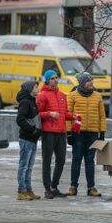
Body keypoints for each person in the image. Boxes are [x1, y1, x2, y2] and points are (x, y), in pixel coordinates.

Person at [36, 70, 75, 199]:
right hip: (48, 133)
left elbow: (65, 114)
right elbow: (37, 114)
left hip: (61, 133)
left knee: (61, 160)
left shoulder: (62, 95)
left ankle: (54, 186)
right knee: (47, 161)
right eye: (52, 78)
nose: (55, 80)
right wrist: (49, 114)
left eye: (56, 78)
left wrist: (73, 116)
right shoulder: (42, 95)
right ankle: (47, 189)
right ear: (47, 80)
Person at [67, 73, 106, 197]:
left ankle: (91, 187)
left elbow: (102, 116)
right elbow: (67, 115)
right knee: (76, 158)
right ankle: (73, 186)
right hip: (77, 133)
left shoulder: (98, 96)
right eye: (89, 81)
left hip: (93, 133)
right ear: (82, 82)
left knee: (90, 160)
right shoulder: (73, 96)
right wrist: (68, 133)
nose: (91, 83)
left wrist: (102, 132)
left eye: (92, 80)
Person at [16, 81, 42, 201]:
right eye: (36, 87)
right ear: (30, 89)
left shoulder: (32, 101)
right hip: (27, 139)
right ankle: (21, 191)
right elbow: (20, 120)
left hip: (33, 139)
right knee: (24, 166)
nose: (38, 88)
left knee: (30, 166)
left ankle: (29, 190)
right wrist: (32, 130)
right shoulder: (25, 102)